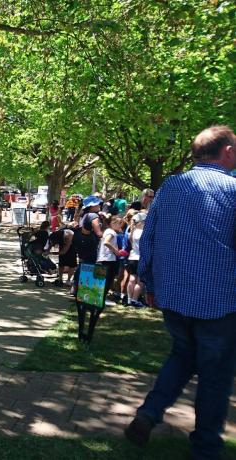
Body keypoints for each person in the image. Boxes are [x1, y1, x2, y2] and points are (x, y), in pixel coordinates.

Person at [124, 126, 236, 460]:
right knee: (215, 376)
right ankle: (205, 447)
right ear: (227, 151)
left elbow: (150, 238)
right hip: (219, 300)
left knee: (183, 355)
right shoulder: (233, 189)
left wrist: (149, 284)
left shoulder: (171, 186)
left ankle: (149, 413)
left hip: (174, 296)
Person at [96, 215, 126, 304]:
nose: (120, 226)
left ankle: (101, 298)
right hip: (109, 259)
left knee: (104, 279)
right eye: (119, 224)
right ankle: (103, 299)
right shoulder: (111, 232)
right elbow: (106, 242)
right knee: (108, 279)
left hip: (104, 258)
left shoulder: (108, 231)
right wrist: (116, 251)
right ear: (113, 223)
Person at [125, 212, 146, 308]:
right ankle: (134, 300)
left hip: (132, 257)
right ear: (141, 222)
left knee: (131, 279)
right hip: (141, 258)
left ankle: (129, 299)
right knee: (140, 281)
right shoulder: (143, 233)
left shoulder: (132, 232)